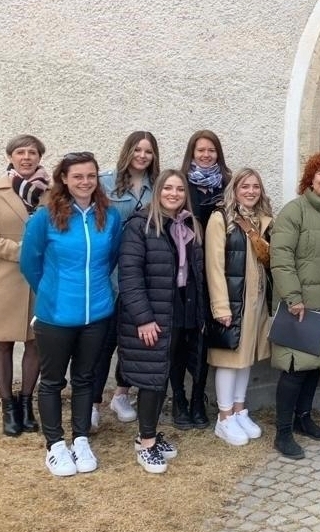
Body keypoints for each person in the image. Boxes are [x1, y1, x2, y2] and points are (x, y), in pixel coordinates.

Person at [20, 151, 122, 476]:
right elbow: (29, 262)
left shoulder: (110, 216)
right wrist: (50, 292)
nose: (85, 182)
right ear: (64, 179)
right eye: (77, 176)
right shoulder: (44, 217)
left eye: (90, 176)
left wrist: (99, 292)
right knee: (52, 381)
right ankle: (55, 446)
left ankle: (80, 439)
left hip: (97, 314)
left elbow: (111, 258)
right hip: (55, 315)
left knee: (85, 378)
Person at [118, 170, 205, 473]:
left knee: (162, 373)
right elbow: (130, 276)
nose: (173, 193)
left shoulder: (185, 225)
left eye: (179, 189)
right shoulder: (140, 225)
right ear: (157, 191)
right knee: (152, 378)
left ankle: (149, 433)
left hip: (177, 310)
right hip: (151, 314)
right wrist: (143, 318)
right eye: (167, 188)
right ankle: (146, 444)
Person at [270, 153, 320, 459]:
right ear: (311, 178)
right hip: (300, 304)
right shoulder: (295, 211)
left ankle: (303, 419)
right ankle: (283, 432)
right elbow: (281, 258)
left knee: (315, 365)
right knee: (294, 369)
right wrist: (293, 297)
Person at [92, 131, 160, 428]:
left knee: (132, 340)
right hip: (108, 272)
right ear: (128, 151)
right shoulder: (105, 183)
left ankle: (121, 394)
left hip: (141, 274)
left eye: (148, 151)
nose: (142, 156)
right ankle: (93, 403)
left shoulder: (157, 187)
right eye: (138, 149)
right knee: (103, 343)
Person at [206, 168, 274, 448]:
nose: (251, 191)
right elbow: (214, 266)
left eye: (255, 186)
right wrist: (221, 306)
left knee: (246, 357)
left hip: (256, 301)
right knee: (229, 359)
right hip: (232, 301)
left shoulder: (262, 220)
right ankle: (224, 418)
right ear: (234, 190)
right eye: (245, 186)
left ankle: (238, 410)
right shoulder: (221, 218)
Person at [175, 129, 232, 430]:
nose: (206, 155)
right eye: (201, 150)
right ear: (192, 153)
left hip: (217, 270)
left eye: (212, 150)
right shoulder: (181, 184)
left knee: (203, 339)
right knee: (179, 338)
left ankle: (198, 399)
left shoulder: (228, 183)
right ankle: (179, 399)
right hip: (186, 270)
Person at [0, 134, 49, 437]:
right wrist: (22, 251)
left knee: (36, 342)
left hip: (40, 280)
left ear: (40, 157)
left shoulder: (52, 192)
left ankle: (27, 403)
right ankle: (8, 406)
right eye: (21, 152)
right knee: (2, 344)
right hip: (5, 278)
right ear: (11, 156)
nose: (27, 157)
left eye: (33, 152)